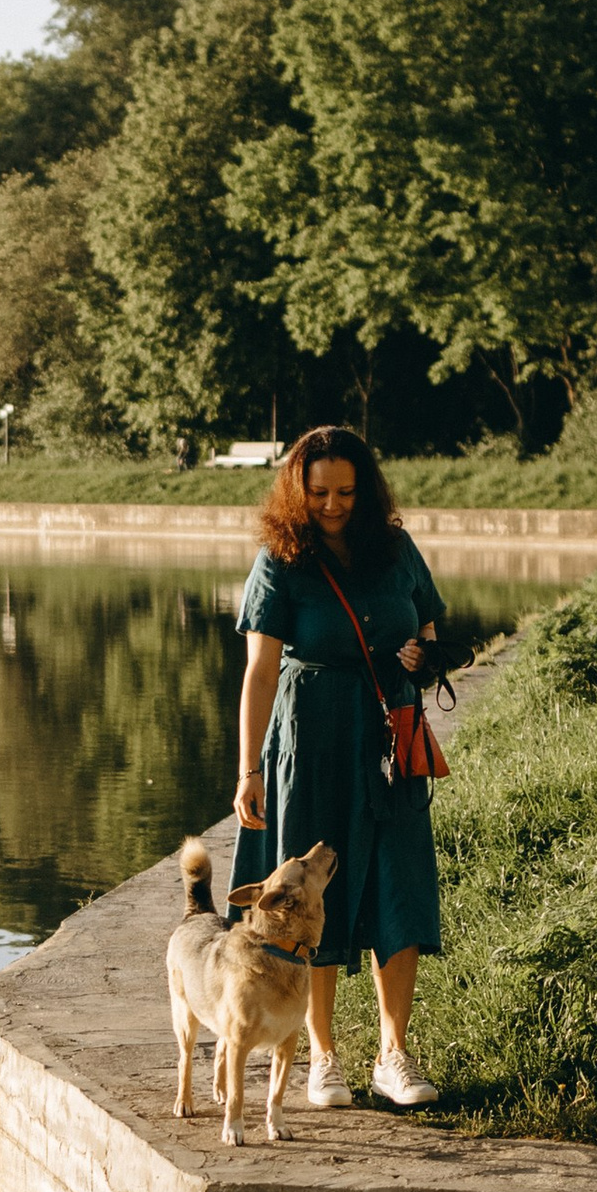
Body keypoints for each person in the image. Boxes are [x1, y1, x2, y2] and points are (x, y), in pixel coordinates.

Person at [231, 424, 444, 1111]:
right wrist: (248, 770)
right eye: (319, 491)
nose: (332, 504)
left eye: (346, 491)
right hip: (311, 734)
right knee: (308, 902)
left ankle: (394, 1054)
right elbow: (261, 671)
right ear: (298, 487)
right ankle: (323, 1057)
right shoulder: (281, 558)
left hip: (388, 734)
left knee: (396, 888)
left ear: (366, 487)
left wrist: (425, 656)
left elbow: (434, 631)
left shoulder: (394, 547)